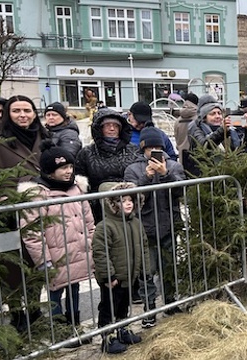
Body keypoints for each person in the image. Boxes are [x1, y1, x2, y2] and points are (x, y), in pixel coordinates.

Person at [19, 141, 95, 339]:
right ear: (50, 172)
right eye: (63, 168)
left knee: (75, 287)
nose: (69, 171)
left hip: (77, 253)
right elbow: (32, 232)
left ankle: (75, 324)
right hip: (56, 256)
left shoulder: (77, 189)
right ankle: (60, 330)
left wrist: (91, 243)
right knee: (55, 292)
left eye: (70, 166)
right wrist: (43, 260)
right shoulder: (39, 195)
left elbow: (88, 221)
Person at [124, 128, 186, 328]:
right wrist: (147, 177)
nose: (154, 151)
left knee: (169, 267)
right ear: (143, 148)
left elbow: (180, 190)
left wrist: (165, 174)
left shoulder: (173, 165)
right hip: (145, 227)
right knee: (147, 271)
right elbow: (131, 198)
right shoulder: (133, 169)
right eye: (150, 147)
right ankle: (149, 309)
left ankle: (170, 302)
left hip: (169, 224)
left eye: (157, 147)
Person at [0, 95, 50, 333]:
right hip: (9, 212)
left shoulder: (44, 137)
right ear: (8, 114)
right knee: (11, 264)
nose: (22, 115)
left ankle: (34, 308)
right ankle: (16, 311)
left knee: (35, 259)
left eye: (27, 110)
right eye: (16, 111)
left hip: (39, 211)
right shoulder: (1, 141)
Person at [92, 182, 145, 354]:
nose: (128, 203)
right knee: (109, 308)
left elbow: (143, 245)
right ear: (112, 204)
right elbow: (100, 253)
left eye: (130, 200)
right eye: (122, 201)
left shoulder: (135, 223)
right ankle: (108, 337)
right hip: (113, 279)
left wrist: (144, 269)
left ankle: (123, 329)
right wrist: (109, 276)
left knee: (123, 306)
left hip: (130, 275)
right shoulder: (105, 226)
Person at [74, 108, 142, 223]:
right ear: (99, 128)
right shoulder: (86, 153)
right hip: (98, 209)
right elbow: (80, 181)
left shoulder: (133, 150)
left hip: (129, 206)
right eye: (107, 125)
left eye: (115, 126)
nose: (112, 129)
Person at [186, 94, 247, 176]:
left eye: (219, 113)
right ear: (204, 117)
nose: (217, 116)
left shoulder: (229, 130)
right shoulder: (197, 128)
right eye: (212, 114)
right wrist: (222, 131)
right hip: (206, 175)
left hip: (229, 174)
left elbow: (243, 150)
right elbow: (204, 146)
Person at [175, 93, 199, 175]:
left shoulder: (178, 120)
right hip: (197, 155)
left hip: (182, 154)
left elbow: (177, 139)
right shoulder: (199, 118)